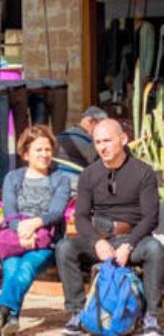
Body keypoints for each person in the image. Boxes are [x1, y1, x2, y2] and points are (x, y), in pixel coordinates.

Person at [56, 119, 164, 336]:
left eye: (107, 140)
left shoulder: (143, 172)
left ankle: (151, 316)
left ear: (123, 140)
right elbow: (82, 218)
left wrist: (130, 245)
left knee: (154, 249)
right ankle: (77, 312)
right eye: (97, 142)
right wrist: (97, 241)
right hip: (102, 239)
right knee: (65, 247)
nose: (102, 147)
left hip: (134, 238)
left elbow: (150, 217)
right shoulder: (89, 174)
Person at [0, 125, 71, 335]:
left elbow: (57, 212)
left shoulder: (61, 178)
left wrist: (34, 224)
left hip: (47, 242)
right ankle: (11, 317)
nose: (44, 154)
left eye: (48, 149)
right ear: (25, 153)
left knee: (25, 268)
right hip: (16, 239)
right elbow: (9, 212)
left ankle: (1, 307)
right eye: (38, 150)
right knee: (13, 268)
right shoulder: (13, 178)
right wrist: (23, 232)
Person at [55, 105, 106, 178]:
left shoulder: (62, 135)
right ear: (91, 121)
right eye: (101, 125)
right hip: (74, 180)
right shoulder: (87, 141)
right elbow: (99, 168)